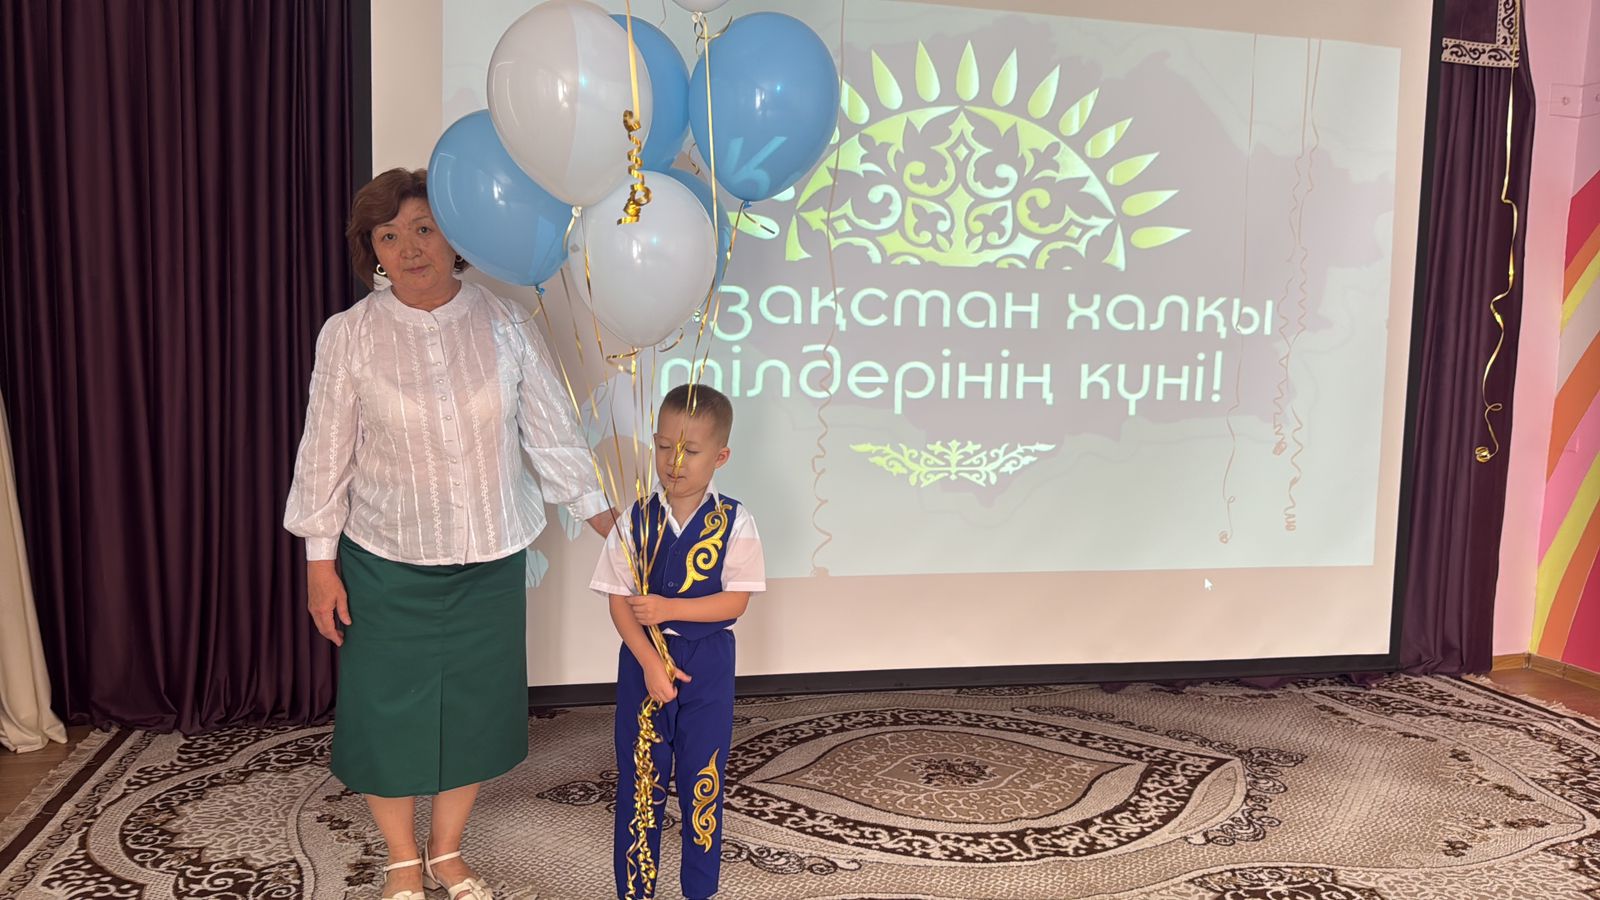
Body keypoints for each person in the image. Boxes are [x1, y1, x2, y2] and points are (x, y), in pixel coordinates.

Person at [285, 167, 612, 900]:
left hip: (490, 559)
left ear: (454, 236)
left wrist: (609, 524)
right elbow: (323, 454)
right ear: (372, 250)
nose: (408, 248)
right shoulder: (350, 335)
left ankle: (447, 851)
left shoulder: (506, 323)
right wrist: (318, 563)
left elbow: (553, 435)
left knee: (472, 714)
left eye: (423, 229)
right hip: (385, 561)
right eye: (388, 236)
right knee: (387, 714)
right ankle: (402, 860)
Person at [590, 383, 766, 900]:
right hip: (642, 661)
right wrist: (649, 661)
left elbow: (735, 602)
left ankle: (699, 890)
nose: (674, 461)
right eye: (665, 446)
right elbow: (618, 600)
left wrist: (669, 609)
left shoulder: (735, 520)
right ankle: (635, 890)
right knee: (641, 779)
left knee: (701, 777)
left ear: (720, 457)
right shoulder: (634, 519)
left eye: (690, 450)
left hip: (708, 662)